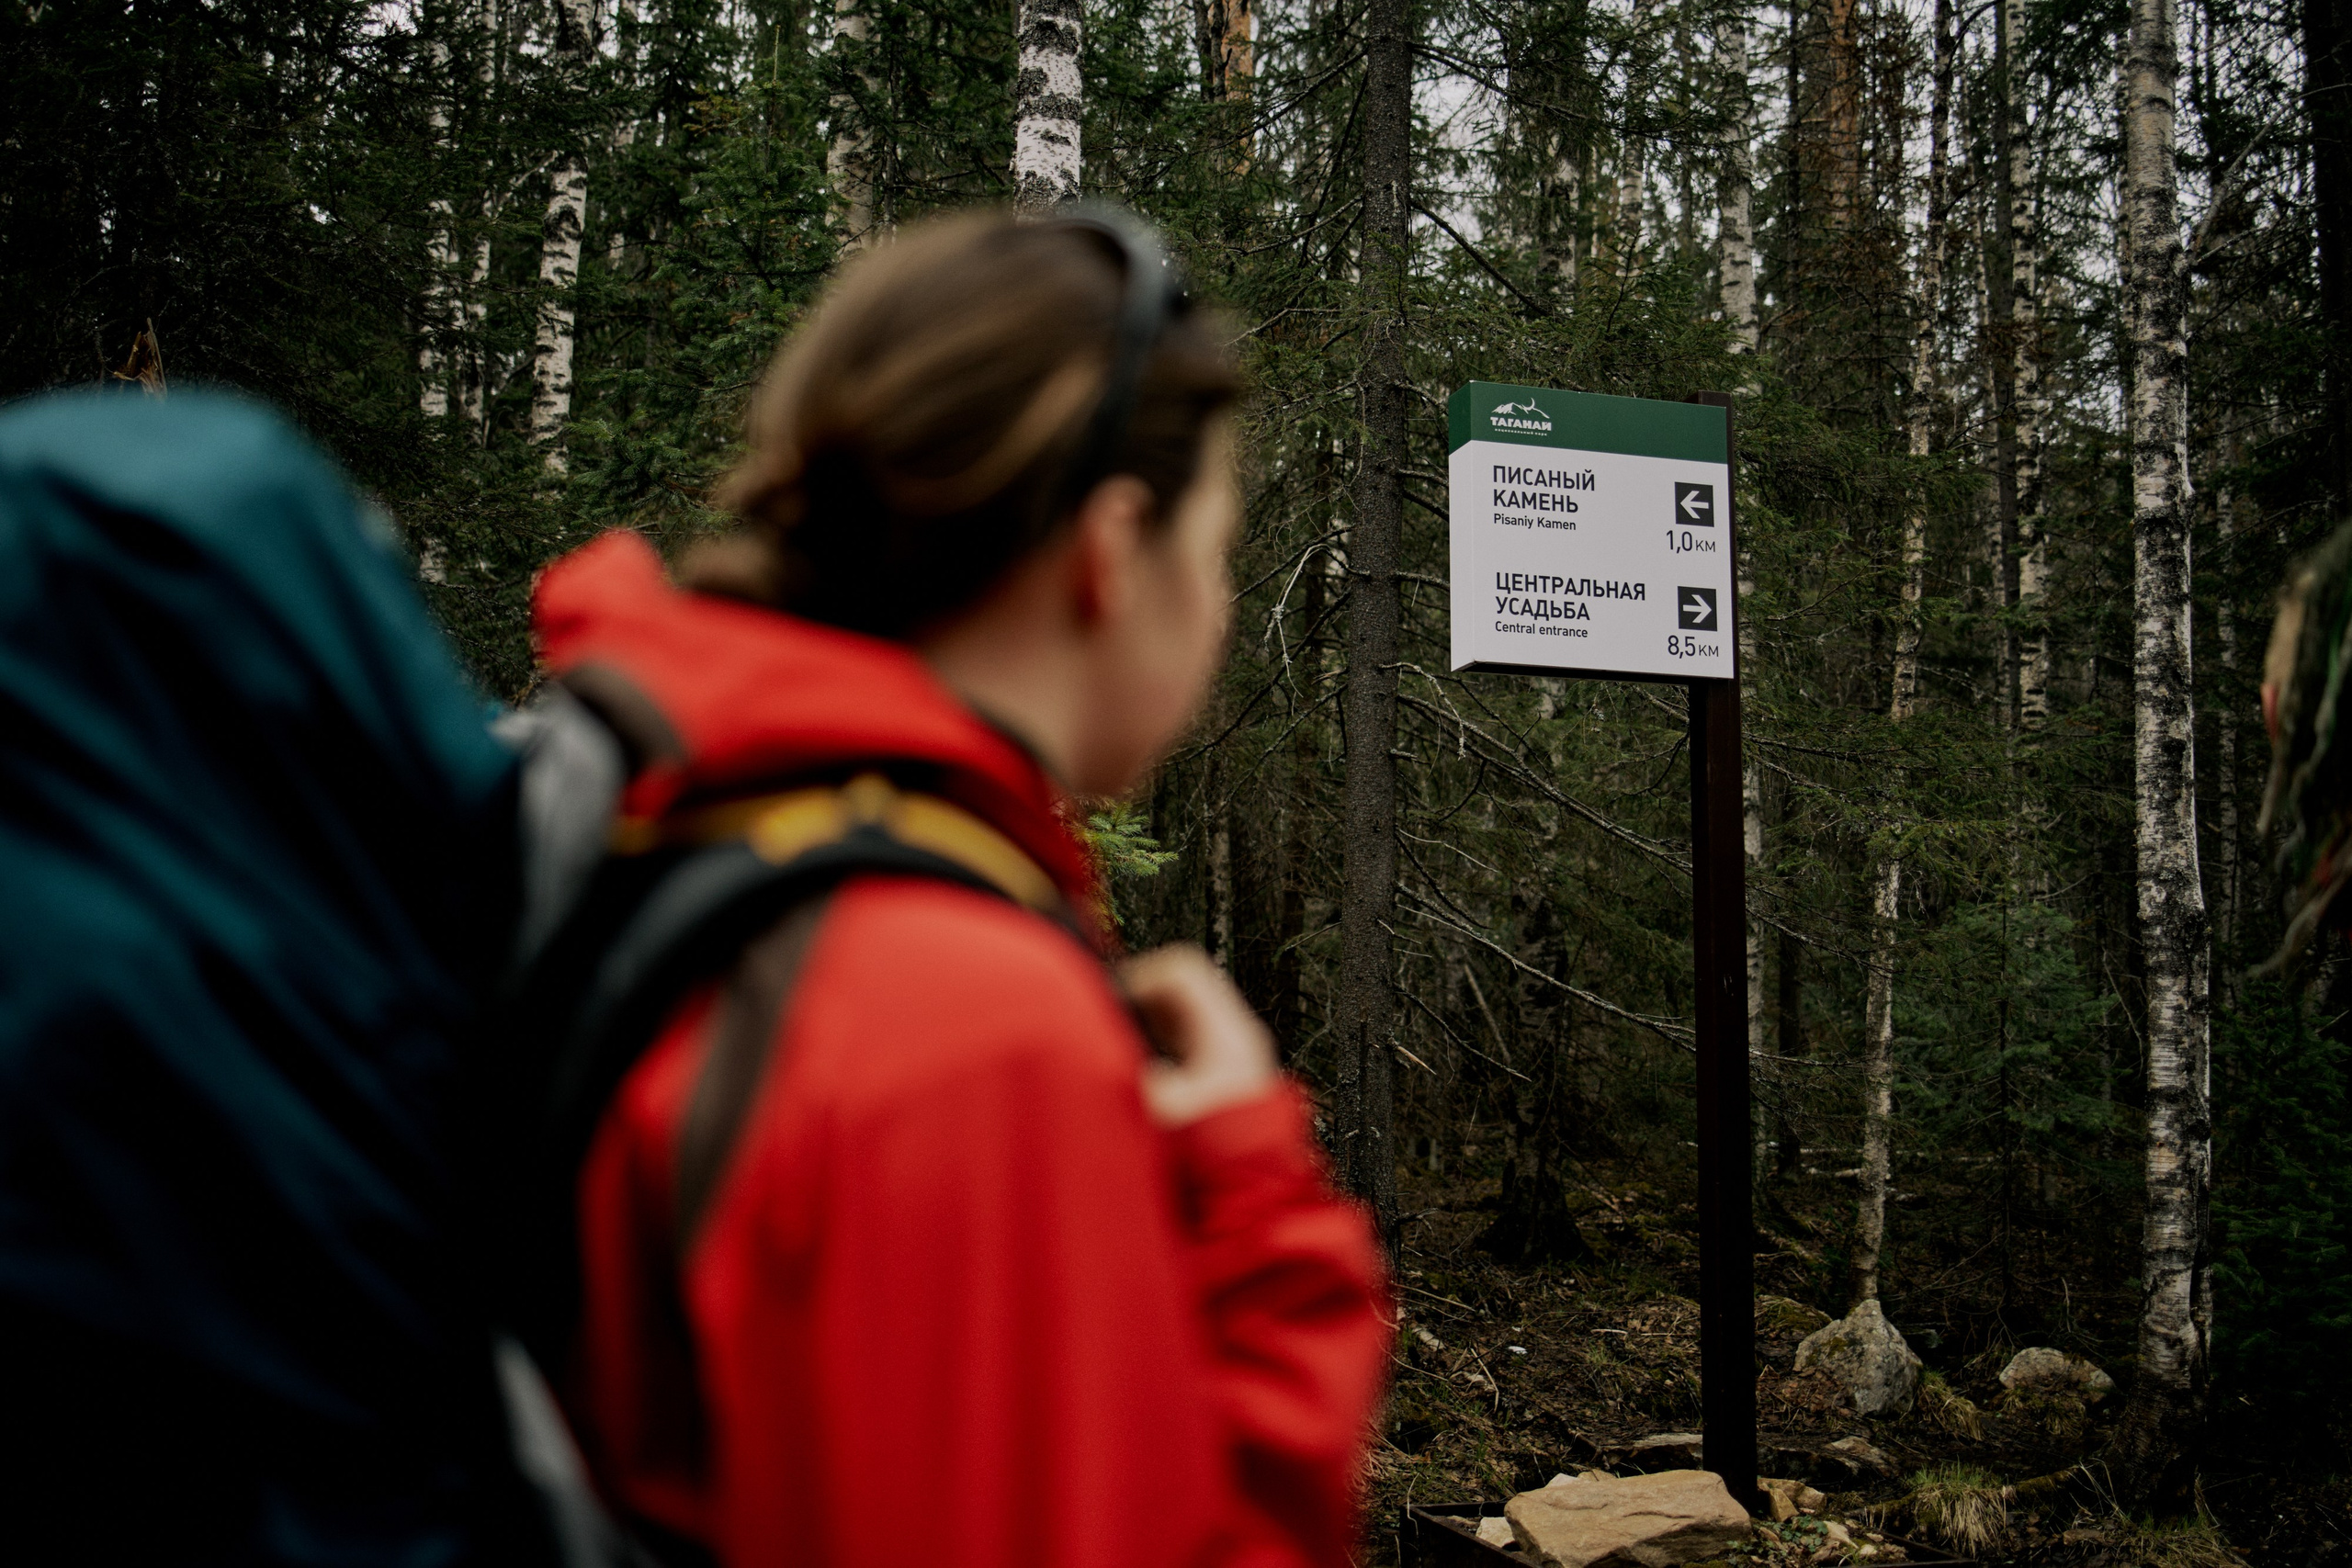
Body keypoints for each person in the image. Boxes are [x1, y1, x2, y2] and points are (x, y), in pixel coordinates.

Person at [535, 209, 1392, 1567]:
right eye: (1218, 551)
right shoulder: (962, 1022)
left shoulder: (705, 828)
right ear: (1111, 550)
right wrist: (1259, 1214)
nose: (1220, 608)